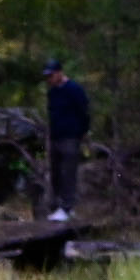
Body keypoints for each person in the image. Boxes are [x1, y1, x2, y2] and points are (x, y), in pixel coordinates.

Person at [42, 60, 90, 222]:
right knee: (56, 173)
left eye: (51, 75)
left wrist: (81, 132)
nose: (49, 79)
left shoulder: (74, 89)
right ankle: (58, 207)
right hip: (56, 137)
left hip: (71, 137)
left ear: (59, 73)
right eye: (47, 76)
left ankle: (67, 207)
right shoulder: (53, 93)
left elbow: (84, 112)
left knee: (68, 172)